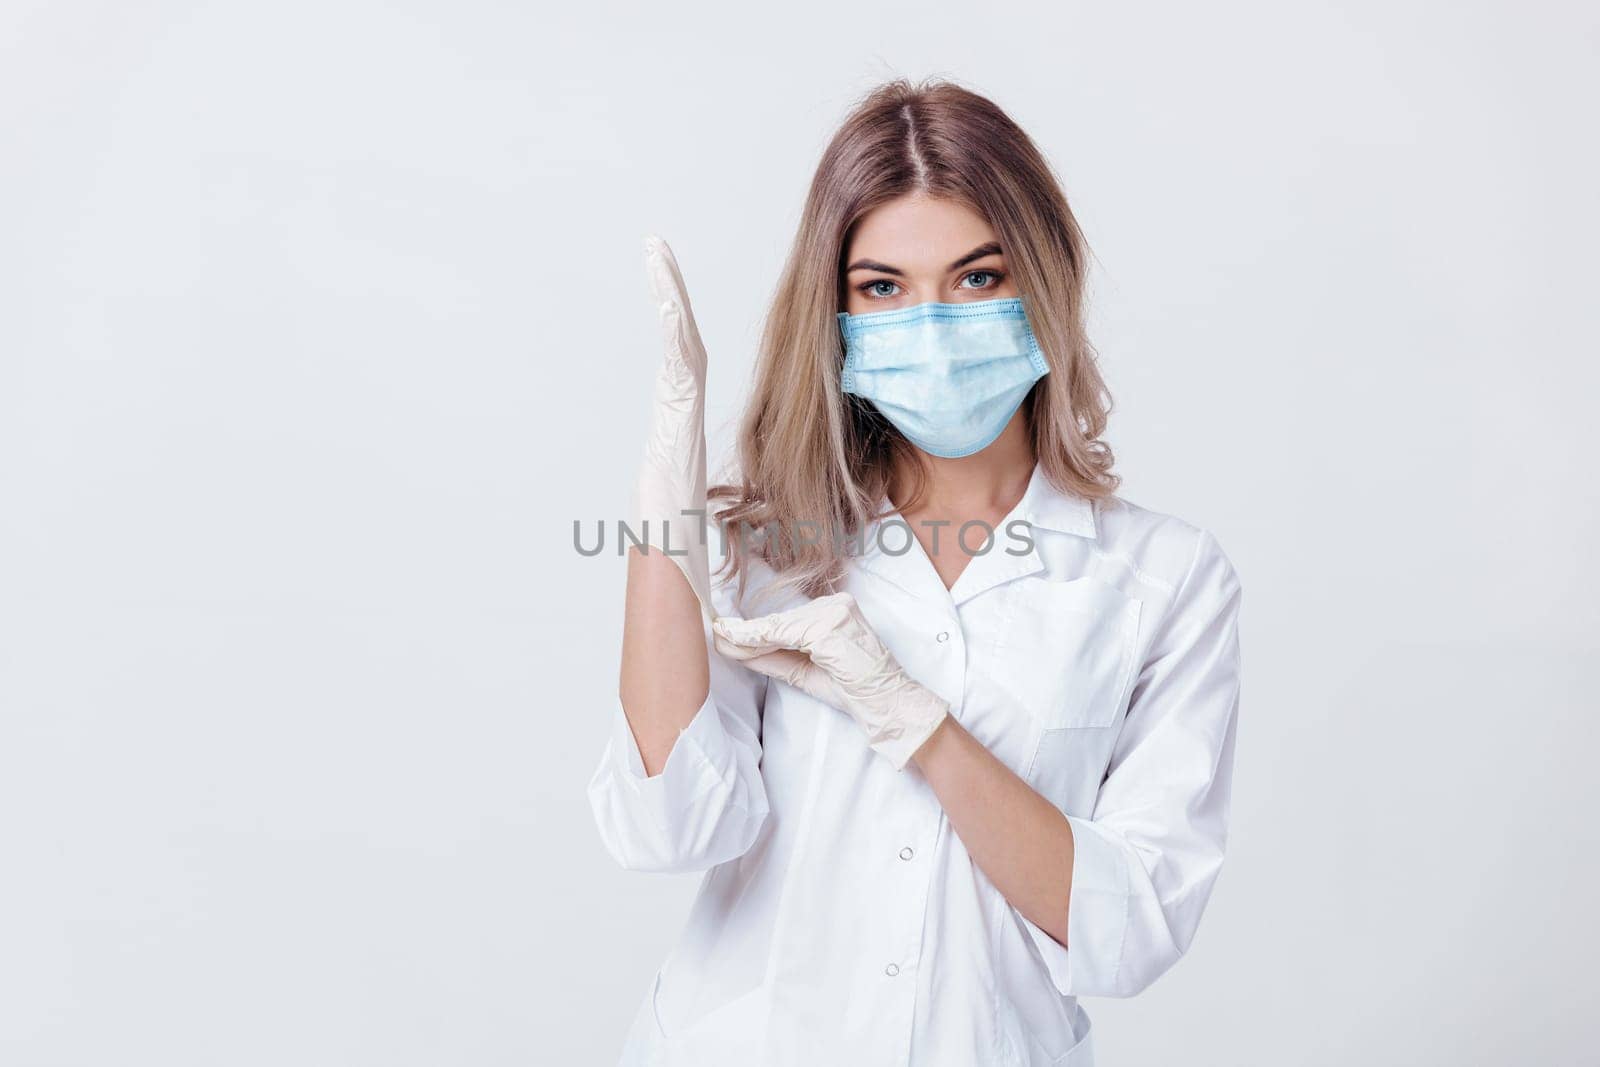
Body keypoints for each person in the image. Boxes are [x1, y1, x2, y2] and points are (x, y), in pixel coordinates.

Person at [586, 77, 1244, 1067]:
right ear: (837, 311)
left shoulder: (1163, 578)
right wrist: (663, 503)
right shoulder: (766, 545)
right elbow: (665, 827)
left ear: (1043, 283)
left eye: (977, 278)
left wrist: (914, 720)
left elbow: (1128, 922)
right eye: (883, 287)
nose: (930, 325)